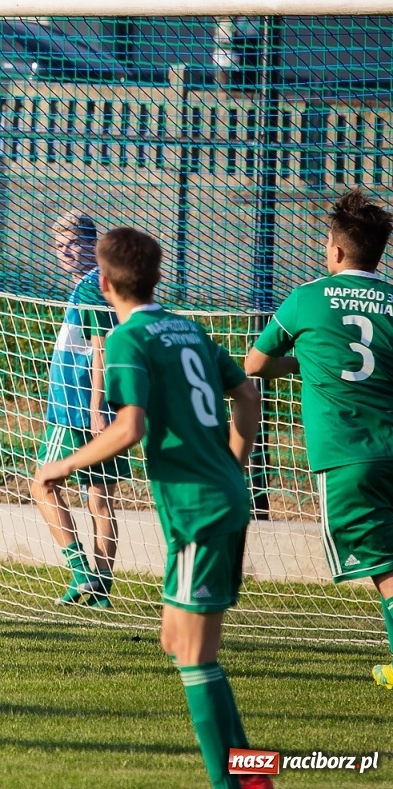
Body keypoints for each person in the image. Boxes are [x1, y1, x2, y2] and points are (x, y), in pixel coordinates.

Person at [36, 228, 267, 789]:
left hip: (197, 508)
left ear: (106, 282)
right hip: (217, 497)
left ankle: (234, 781)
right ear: (158, 275)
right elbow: (250, 393)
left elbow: (130, 426)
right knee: (179, 642)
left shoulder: (128, 338)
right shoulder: (189, 328)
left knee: (194, 654)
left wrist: (60, 467)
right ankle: (251, 773)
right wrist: (233, 466)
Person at [244, 190, 393, 689]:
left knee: (385, 567)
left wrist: (303, 363)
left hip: (348, 455)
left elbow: (255, 365)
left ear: (333, 251)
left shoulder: (306, 298)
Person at [30, 211, 125, 607]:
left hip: (76, 407)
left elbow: (101, 347)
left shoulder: (91, 287)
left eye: (73, 243)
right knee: (99, 498)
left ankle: (81, 571)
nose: (65, 251)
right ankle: (100, 589)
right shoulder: (106, 284)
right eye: (59, 245)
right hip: (104, 409)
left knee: (42, 485)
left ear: (92, 244)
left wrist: (94, 406)